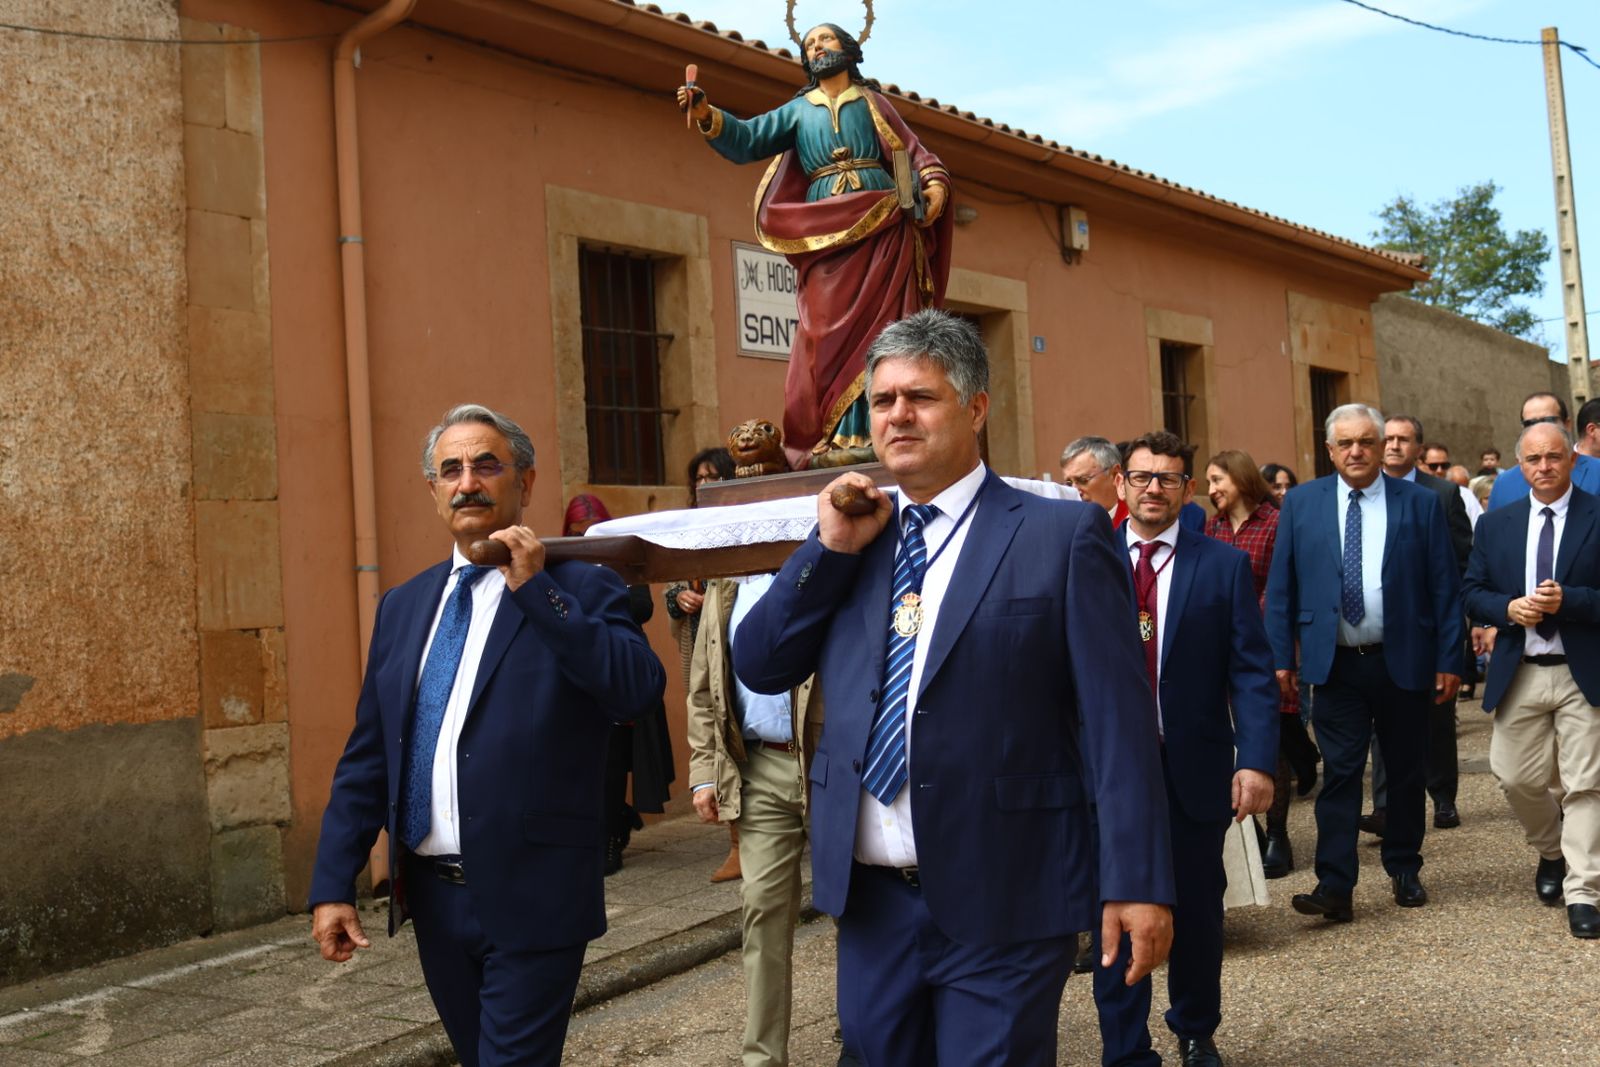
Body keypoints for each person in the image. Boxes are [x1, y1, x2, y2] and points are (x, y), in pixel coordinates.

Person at [732, 310, 1174, 1066]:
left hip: (1007, 891)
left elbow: (1118, 725)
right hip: (872, 903)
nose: (897, 414)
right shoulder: (855, 538)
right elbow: (761, 662)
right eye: (883, 400)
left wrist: (1136, 881)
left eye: (921, 396)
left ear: (975, 408)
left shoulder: (1059, 536)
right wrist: (827, 549)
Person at [308, 404, 666, 1066]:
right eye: (451, 469)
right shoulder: (404, 606)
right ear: (433, 489)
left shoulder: (581, 587)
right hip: (435, 901)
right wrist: (334, 881)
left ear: (525, 482)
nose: (467, 482)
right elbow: (371, 755)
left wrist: (537, 592)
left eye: (486, 465)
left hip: (535, 893)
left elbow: (635, 689)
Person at [677, 23, 952, 469]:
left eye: (826, 40)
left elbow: (915, 153)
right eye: (810, 44)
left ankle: (874, 430)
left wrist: (933, 184)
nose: (818, 47)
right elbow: (748, 138)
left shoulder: (873, 102)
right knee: (822, 335)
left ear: (848, 49)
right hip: (822, 235)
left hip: (882, 226)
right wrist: (707, 113)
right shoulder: (798, 110)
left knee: (885, 333)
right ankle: (832, 435)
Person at [1092, 433, 1278, 1067]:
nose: (1154, 488)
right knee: (1114, 909)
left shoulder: (1221, 565)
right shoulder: (1087, 560)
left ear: (1188, 490)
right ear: (1121, 483)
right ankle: (1125, 1048)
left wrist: (1256, 759)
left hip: (1192, 768)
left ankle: (1196, 1029)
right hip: (1110, 776)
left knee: (1198, 910)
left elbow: (1251, 671)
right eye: (1142, 477)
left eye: (1168, 479)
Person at [1265, 403, 1463, 923]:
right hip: (1335, 666)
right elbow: (1282, 586)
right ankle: (1334, 885)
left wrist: (1449, 658)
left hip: (1403, 660)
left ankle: (1404, 866)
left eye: (1366, 442)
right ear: (1329, 450)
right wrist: (1281, 657)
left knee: (1404, 770)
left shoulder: (1420, 503)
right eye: (1346, 443)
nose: (1356, 451)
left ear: (1380, 447)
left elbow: (1444, 587)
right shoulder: (1302, 503)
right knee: (1340, 773)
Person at [1462, 421, 1600, 940]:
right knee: (1514, 776)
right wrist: (1507, 609)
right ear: (1520, 466)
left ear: (1572, 460)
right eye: (1534, 459)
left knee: (1585, 784)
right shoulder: (1496, 524)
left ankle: (1583, 891)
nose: (1544, 467)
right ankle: (1552, 849)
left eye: (1554, 457)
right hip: (1520, 669)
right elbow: (1471, 592)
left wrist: (1571, 601)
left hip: (1582, 670)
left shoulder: (1597, 514)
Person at [687, 571, 824, 1066]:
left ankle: (866, 1036)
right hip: (759, 766)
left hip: (832, 764)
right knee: (762, 906)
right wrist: (705, 771)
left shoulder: (823, 565)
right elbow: (704, 688)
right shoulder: (723, 587)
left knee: (860, 907)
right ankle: (762, 1058)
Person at [1204, 450, 1318, 878]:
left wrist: (1276, 649)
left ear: (1240, 479)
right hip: (1220, 647)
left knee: (1274, 739)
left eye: (1217, 480)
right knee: (1233, 738)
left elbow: (1281, 588)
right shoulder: (1212, 528)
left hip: (1265, 645)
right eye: (1209, 482)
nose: (1212, 489)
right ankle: (1248, 834)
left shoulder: (1275, 523)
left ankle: (1278, 836)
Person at [1362, 416, 1472, 832]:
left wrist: (1455, 628)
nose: (1393, 446)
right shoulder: (1364, 493)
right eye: (1387, 438)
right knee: (1381, 721)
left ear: (1418, 448)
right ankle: (1385, 806)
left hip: (1427, 628)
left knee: (1436, 717)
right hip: (1379, 630)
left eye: (1402, 439)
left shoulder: (1442, 494)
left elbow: (1460, 564)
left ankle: (1442, 796)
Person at [564, 494, 676, 875]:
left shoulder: (622, 561)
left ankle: (612, 836)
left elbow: (643, 607)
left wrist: (596, 593)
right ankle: (613, 822)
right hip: (577, 677)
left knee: (615, 760)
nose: (585, 539)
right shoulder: (559, 563)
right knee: (584, 762)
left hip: (619, 669)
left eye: (592, 532)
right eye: (577, 533)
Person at [663, 446, 742, 882]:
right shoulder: (687, 528)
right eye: (699, 479)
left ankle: (748, 840)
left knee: (738, 730)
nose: (705, 485)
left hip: (733, 644)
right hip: (697, 644)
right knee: (709, 727)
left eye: (714, 477)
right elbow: (672, 585)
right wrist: (680, 597)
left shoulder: (742, 522)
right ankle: (736, 842)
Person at [1486, 393, 1600, 509]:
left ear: (1567, 425)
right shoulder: (1504, 484)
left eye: (1549, 421)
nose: (1540, 428)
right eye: (1530, 423)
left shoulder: (1596, 472)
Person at [1062, 435, 1130, 527]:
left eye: (1083, 480)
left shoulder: (1136, 520)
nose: (1074, 490)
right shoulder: (1066, 525)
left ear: (1114, 474)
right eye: (1069, 484)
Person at [1422, 443, 1483, 527]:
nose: (1439, 470)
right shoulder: (1411, 491)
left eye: (1444, 466)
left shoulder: (1464, 495)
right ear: (1420, 464)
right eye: (1433, 466)